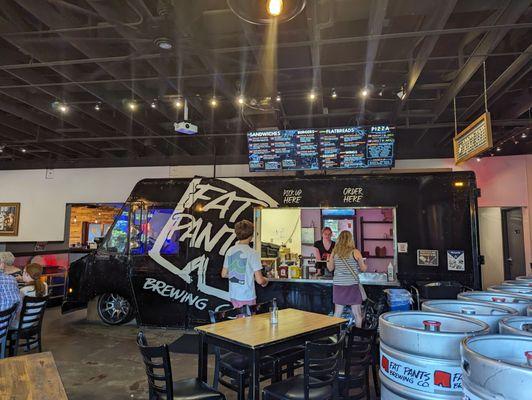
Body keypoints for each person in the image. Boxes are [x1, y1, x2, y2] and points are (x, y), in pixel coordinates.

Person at [221, 220, 268, 308]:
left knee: (239, 320)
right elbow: (260, 280)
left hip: (233, 295)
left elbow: (224, 274)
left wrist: (240, 274)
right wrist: (266, 281)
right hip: (247, 296)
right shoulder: (252, 253)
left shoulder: (230, 250)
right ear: (251, 236)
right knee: (248, 321)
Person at [327, 230, 367, 327]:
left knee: (337, 313)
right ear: (350, 239)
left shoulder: (334, 252)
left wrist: (328, 259)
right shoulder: (355, 252)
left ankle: (336, 336)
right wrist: (365, 265)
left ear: (339, 239)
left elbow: (330, 268)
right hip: (352, 285)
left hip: (338, 285)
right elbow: (363, 269)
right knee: (357, 314)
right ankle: (357, 336)